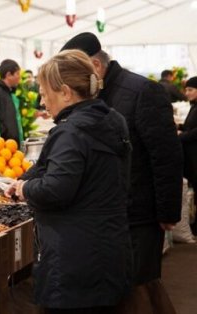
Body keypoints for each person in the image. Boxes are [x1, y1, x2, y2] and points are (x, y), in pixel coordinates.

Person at [61, 32, 182, 312]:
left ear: (96, 66)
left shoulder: (142, 91)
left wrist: (167, 212)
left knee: (137, 283)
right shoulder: (94, 95)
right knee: (128, 285)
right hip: (110, 213)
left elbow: (166, 155)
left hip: (140, 211)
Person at [6, 50, 132, 313]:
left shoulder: (72, 131)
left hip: (75, 262)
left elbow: (56, 189)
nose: (42, 102)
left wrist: (25, 188)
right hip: (109, 249)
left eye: (44, 93)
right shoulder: (111, 119)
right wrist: (23, 178)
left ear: (65, 92)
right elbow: (49, 168)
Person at [0, 59, 24, 145]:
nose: (19, 77)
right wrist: (5, 132)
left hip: (11, 144)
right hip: (2, 144)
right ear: (8, 75)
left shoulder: (9, 92)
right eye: (17, 74)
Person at [179, 76, 197, 188]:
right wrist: (179, 126)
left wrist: (182, 135)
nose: (187, 93)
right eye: (186, 90)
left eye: (190, 90)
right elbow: (190, 125)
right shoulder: (194, 105)